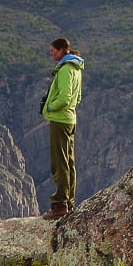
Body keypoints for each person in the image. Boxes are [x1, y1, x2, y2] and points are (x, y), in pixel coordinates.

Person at [41, 37, 83, 221]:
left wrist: (50, 107)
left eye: (53, 51)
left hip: (60, 119)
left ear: (62, 50)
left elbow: (65, 98)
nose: (51, 54)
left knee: (59, 162)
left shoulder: (66, 69)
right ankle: (69, 201)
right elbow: (78, 97)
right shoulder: (76, 69)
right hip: (70, 119)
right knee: (69, 161)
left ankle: (60, 204)